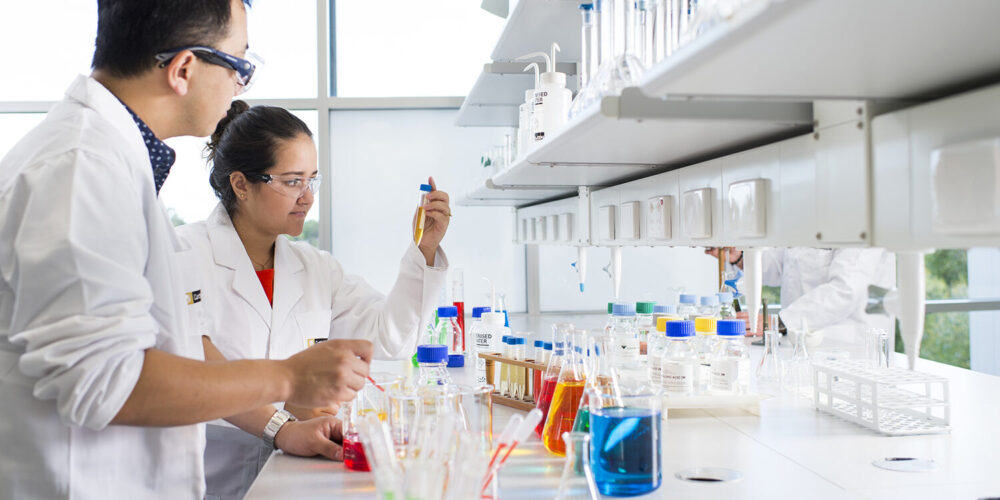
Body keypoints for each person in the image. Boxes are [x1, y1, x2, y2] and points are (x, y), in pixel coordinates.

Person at [0, 1, 370, 497]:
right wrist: (286, 378)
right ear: (184, 68)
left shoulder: (107, 160)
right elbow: (108, 382)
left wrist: (281, 427)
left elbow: (178, 349)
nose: (240, 87)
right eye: (240, 66)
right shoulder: (81, 169)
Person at [177, 101, 451, 499]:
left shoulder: (315, 268)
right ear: (241, 185)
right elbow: (193, 367)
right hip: (207, 482)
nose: (307, 197)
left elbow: (391, 339)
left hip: (293, 479)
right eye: (292, 181)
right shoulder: (185, 254)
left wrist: (423, 250)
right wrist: (282, 424)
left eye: (312, 180)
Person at [707, 247, 896, 344]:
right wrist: (739, 256)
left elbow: (845, 291)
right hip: (801, 344)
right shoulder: (808, 217)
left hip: (848, 346)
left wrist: (779, 323)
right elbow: (783, 268)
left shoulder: (860, 217)